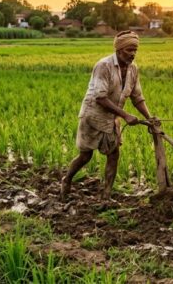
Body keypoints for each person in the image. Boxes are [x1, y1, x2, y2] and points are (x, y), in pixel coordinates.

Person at [60, 30, 155, 202]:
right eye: (129, 50)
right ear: (119, 50)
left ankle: (106, 195)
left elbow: (137, 97)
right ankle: (66, 180)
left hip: (111, 119)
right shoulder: (103, 66)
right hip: (92, 116)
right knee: (85, 156)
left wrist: (149, 117)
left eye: (135, 50)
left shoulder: (133, 70)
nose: (133, 54)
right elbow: (100, 97)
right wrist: (126, 115)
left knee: (113, 155)